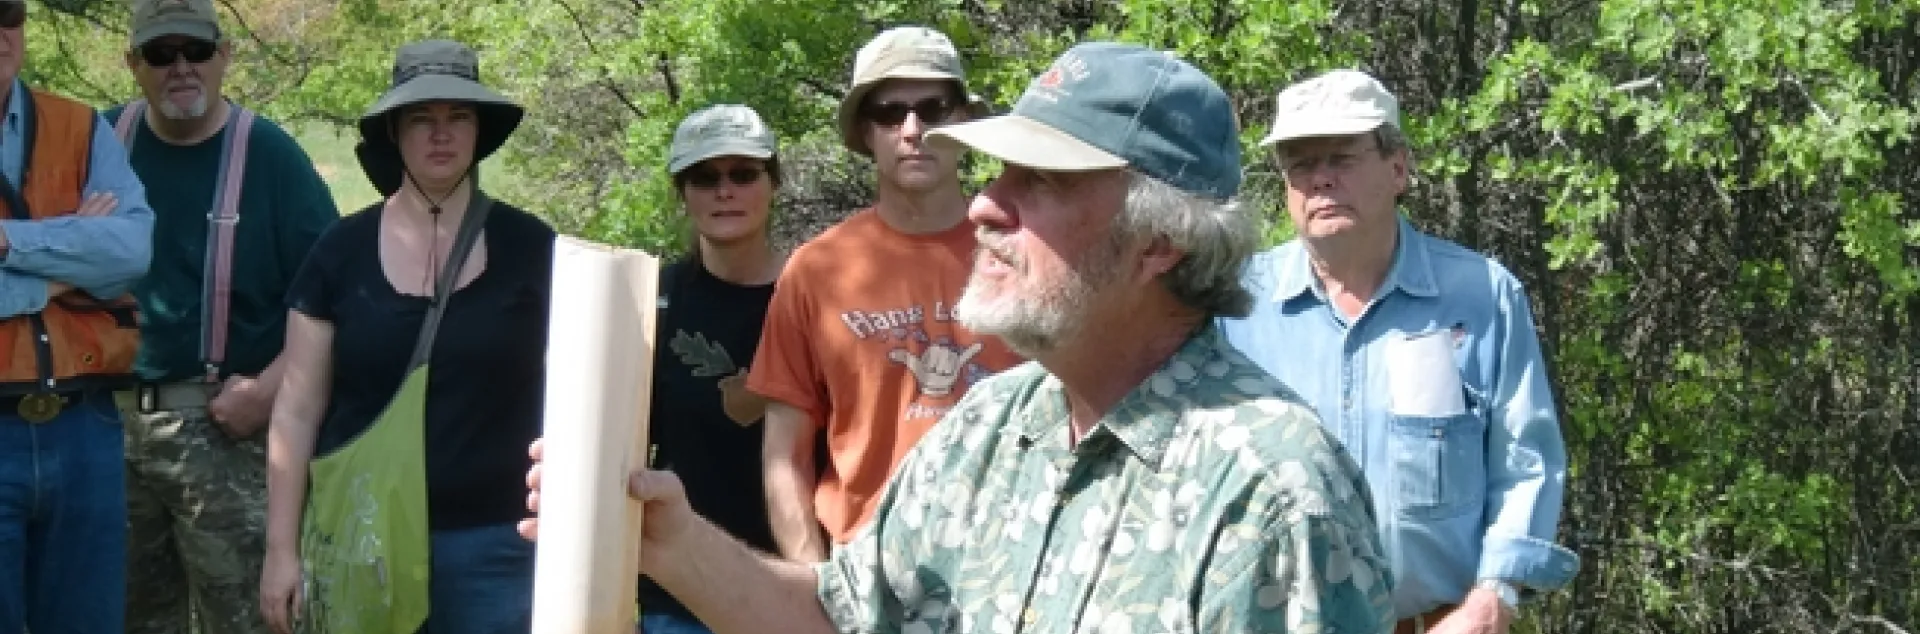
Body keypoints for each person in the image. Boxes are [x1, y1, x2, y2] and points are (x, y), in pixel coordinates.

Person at [522, 41, 1395, 634]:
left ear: (1158, 242)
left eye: (1041, 181)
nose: (984, 203)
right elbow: (840, 617)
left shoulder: (1272, 488)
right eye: (998, 170)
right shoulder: (992, 425)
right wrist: (663, 540)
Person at [1219, 69, 1580, 634]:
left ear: (1398, 168)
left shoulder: (1482, 296)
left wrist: (1493, 598)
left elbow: (1524, 463)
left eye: (1341, 158)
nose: (1321, 180)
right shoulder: (1236, 307)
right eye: (1301, 164)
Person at [259, 39, 554, 634]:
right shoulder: (338, 254)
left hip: (499, 547)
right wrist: (280, 551)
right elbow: (295, 410)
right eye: (421, 118)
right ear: (394, 131)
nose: (440, 134)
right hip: (362, 543)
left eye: (458, 117)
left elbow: (578, 396)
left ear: (480, 130)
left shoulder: (534, 248)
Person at [747, 25, 1020, 563]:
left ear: (964, 121)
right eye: (890, 113)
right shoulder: (816, 270)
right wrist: (816, 588)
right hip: (869, 567)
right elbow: (784, 455)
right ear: (866, 133)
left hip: (1008, 559)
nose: (913, 129)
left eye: (935, 108)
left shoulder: (1021, 252)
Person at [107, 1, 339, 632]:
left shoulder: (271, 158)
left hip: (226, 433)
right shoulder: (101, 146)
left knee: (250, 622)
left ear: (224, 56)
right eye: (160, 54)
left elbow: (339, 300)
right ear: (134, 64)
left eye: (196, 51)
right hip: (106, 432)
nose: (180, 67)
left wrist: (268, 391)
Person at [0, 0, 156, 631]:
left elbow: (132, 250)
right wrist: (70, 268)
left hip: (85, 427)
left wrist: (13, 244)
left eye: (8, 13)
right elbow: (102, 259)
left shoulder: (79, 125)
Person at [638, 103, 786, 634]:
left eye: (744, 174)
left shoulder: (814, 294)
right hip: (680, 589)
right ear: (683, 193)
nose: (725, 191)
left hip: (794, 582)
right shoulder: (653, 300)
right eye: (705, 177)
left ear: (773, 183)